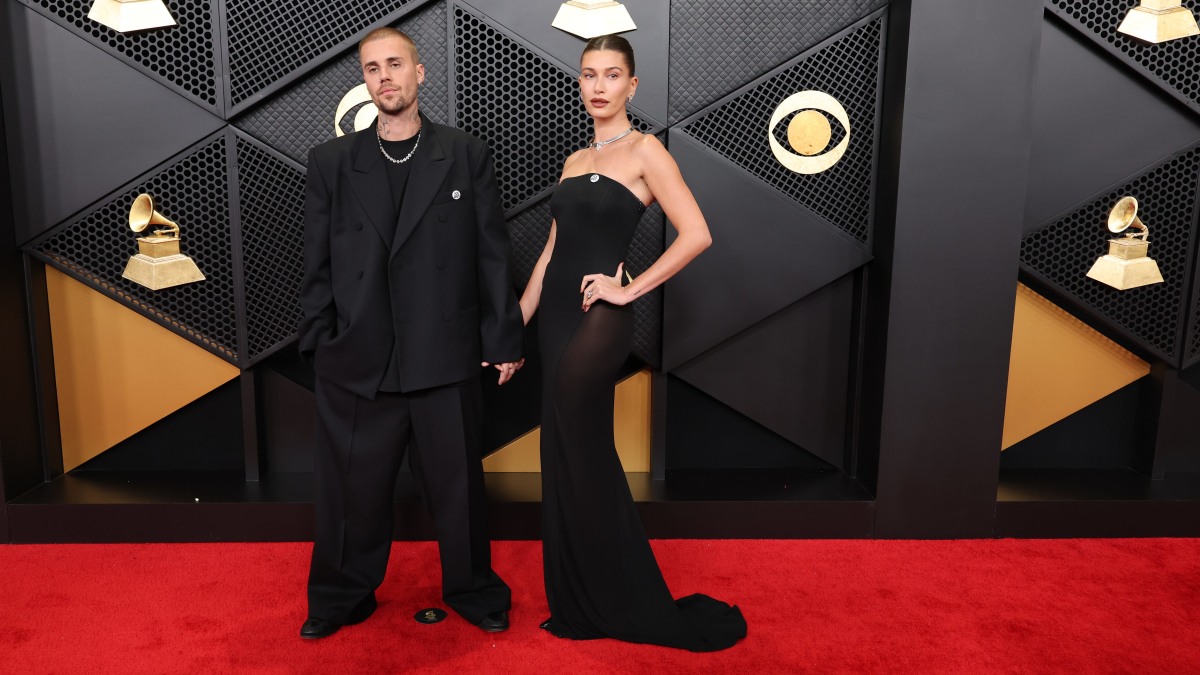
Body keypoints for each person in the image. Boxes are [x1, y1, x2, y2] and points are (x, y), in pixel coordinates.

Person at [518, 34, 747, 651]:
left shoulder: (647, 151)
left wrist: (630, 290)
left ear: (632, 86)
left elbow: (697, 233)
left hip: (598, 319)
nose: (597, 86)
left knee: (581, 449)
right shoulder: (571, 162)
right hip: (554, 318)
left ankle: (614, 601)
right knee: (564, 453)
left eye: (611, 75)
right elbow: (549, 255)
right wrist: (514, 324)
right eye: (589, 74)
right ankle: (580, 600)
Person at [297, 27, 524, 640]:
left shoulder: (465, 153)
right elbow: (315, 261)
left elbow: (491, 255)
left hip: (442, 356)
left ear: (420, 73)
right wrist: (321, 341)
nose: (384, 78)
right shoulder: (332, 163)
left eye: (395, 64)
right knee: (351, 495)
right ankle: (339, 598)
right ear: (365, 81)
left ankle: (475, 592)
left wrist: (503, 337)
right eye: (373, 69)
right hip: (357, 360)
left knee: (459, 491)